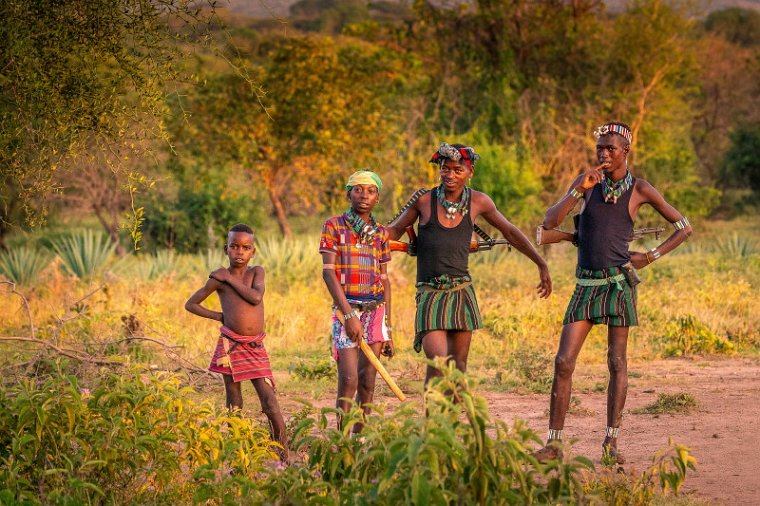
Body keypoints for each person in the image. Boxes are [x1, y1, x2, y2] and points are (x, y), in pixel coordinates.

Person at [534, 122, 693, 463]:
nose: (604, 153)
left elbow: (683, 227)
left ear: (626, 152)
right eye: (600, 148)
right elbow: (548, 223)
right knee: (563, 362)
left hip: (619, 284)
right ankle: (554, 445)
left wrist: (651, 256)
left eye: (610, 148)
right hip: (586, 285)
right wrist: (578, 189)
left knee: (617, 363)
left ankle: (612, 443)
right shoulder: (586, 185)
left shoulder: (640, 189)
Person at [388, 143, 552, 387]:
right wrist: (363, 237)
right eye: (445, 169)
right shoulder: (424, 201)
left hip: (461, 293)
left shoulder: (479, 202)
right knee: (438, 364)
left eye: (457, 170)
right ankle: (432, 425)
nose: (450, 176)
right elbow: (392, 232)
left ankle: (452, 423)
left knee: (458, 369)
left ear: (470, 172)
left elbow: (510, 231)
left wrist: (541, 263)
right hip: (429, 293)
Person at [184, 223, 288, 457]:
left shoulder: (256, 272)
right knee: (234, 401)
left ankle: (283, 453)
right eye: (234, 246)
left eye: (245, 247)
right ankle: (236, 452)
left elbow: (255, 296)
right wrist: (220, 316)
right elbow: (191, 304)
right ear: (226, 249)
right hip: (230, 345)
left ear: (253, 251)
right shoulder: (218, 280)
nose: (239, 252)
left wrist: (229, 279)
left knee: (269, 400)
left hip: (254, 345)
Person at [319, 170, 394, 433]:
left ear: (377, 198)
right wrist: (349, 314)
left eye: (370, 191)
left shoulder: (381, 234)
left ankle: (360, 441)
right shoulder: (334, 226)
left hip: (375, 312)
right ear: (348, 193)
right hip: (345, 312)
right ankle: (341, 441)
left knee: (367, 382)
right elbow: (328, 272)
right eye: (358, 189)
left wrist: (388, 329)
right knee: (349, 379)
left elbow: (384, 280)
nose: (364, 196)